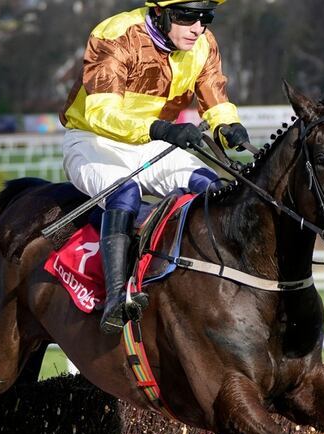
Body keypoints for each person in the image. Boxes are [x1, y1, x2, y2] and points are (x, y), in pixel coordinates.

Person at [59, 0, 251, 335]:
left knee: (213, 187)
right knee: (124, 194)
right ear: (160, 13)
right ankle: (116, 299)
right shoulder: (115, 34)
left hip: (153, 142)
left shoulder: (203, 43)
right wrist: (161, 129)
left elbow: (215, 99)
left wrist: (226, 124)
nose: (198, 28)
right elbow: (101, 113)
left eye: (206, 17)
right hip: (94, 141)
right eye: (187, 17)